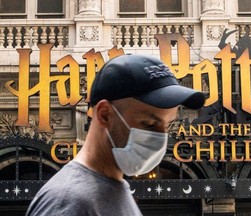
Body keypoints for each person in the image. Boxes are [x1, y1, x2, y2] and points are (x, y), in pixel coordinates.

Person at [26, 54, 205, 216]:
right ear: (105, 114)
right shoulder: (70, 202)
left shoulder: (114, 189)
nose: (162, 136)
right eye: (149, 123)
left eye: (168, 124)